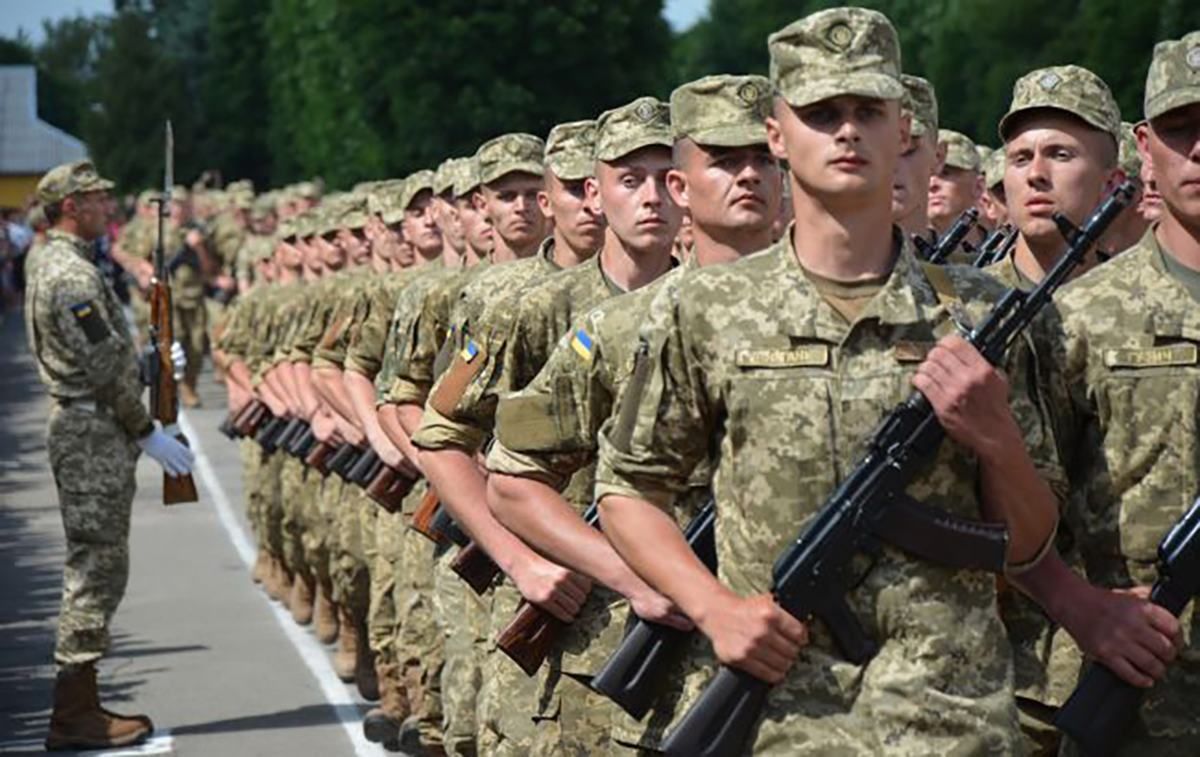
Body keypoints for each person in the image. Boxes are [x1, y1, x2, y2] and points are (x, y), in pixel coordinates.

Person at [594, 7, 1063, 753]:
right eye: (821, 112)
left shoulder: (980, 311)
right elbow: (626, 490)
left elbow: (1033, 541)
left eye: (867, 110)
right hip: (788, 717)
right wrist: (715, 609)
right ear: (778, 135)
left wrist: (997, 435)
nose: (846, 130)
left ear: (902, 130)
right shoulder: (708, 308)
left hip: (954, 718)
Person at [485, 72, 782, 753]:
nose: (748, 176)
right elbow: (510, 478)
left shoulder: (855, 323)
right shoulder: (618, 331)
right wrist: (632, 575)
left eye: (762, 158)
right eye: (723, 159)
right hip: (660, 662)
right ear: (686, 185)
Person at [1019, 31, 1200, 756]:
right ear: (1146, 144)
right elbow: (1018, 507)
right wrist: (1078, 605)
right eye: (1185, 130)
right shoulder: (1079, 317)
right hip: (1139, 695)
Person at [25, 160, 193, 750]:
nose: (107, 207)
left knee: (97, 564)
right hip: (92, 430)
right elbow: (98, 365)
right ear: (71, 207)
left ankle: (83, 698)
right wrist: (147, 429)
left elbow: (105, 354)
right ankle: (73, 712)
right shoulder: (69, 275)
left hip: (91, 424)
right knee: (96, 568)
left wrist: (148, 367)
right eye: (97, 199)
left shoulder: (59, 261)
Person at [928, 129, 984, 237]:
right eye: (928, 174)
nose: (932, 185)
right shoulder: (898, 250)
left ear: (978, 187)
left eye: (945, 173)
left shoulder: (1004, 251)